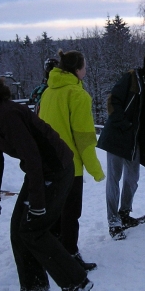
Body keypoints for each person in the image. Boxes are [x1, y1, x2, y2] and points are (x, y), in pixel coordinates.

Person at [0, 69, 93, 291]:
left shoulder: (6, 114)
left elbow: (33, 158)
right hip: (40, 171)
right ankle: (35, 289)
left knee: (34, 229)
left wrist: (39, 205)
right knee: (18, 229)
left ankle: (76, 281)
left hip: (55, 169)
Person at [39, 50, 105, 271]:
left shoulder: (48, 92)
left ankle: (54, 253)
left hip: (48, 164)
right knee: (71, 214)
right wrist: (96, 170)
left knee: (55, 212)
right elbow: (84, 139)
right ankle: (70, 255)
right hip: (70, 167)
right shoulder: (77, 95)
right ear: (77, 70)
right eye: (84, 65)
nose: (86, 69)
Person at [97, 46, 145, 240]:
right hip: (119, 136)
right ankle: (113, 221)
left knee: (132, 179)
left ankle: (124, 214)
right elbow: (113, 100)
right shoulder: (133, 77)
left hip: (135, 140)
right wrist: (123, 124)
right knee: (114, 178)